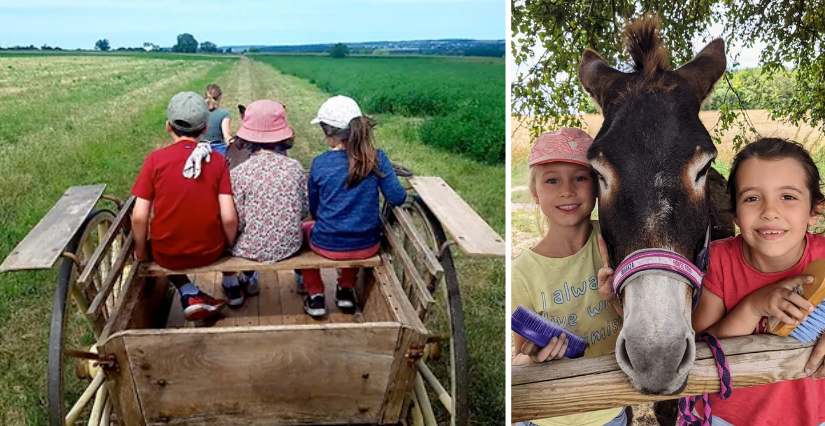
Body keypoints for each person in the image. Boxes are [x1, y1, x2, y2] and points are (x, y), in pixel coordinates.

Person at [692, 138, 825, 426]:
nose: (769, 211)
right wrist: (752, 307)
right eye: (752, 198)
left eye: (788, 197)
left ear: (814, 211)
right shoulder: (719, 262)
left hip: (813, 416)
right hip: (727, 418)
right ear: (736, 213)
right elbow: (700, 348)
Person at [511, 128, 627, 426]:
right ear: (535, 193)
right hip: (547, 417)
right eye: (552, 180)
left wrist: (613, 299)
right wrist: (535, 356)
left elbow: (643, 330)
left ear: (598, 187)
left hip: (607, 412)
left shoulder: (618, 244)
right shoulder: (522, 273)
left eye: (580, 177)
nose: (567, 190)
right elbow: (520, 357)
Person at [131, 91, 238, 322]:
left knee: (163, 240)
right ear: (204, 128)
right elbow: (229, 217)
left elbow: (139, 217)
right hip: (211, 250)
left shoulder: (154, 160)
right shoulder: (217, 161)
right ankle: (227, 286)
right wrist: (229, 245)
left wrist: (141, 250)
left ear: (168, 126)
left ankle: (188, 292)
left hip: (166, 254)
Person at [300, 95, 407, 317]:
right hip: (368, 245)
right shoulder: (376, 159)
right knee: (354, 226)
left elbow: (315, 207)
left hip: (327, 244)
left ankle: (316, 295)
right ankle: (346, 291)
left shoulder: (320, 164)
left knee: (302, 231)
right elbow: (397, 197)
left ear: (328, 133)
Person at [226, 99, 308, 306]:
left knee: (235, 235)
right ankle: (301, 279)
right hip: (290, 245)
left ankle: (248, 279)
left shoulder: (238, 173)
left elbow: (239, 219)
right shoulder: (295, 167)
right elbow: (303, 210)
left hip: (251, 249)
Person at [200, 84, 233, 157]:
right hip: (218, 148)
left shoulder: (198, 112)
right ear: (219, 98)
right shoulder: (224, 114)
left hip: (200, 148)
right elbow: (227, 136)